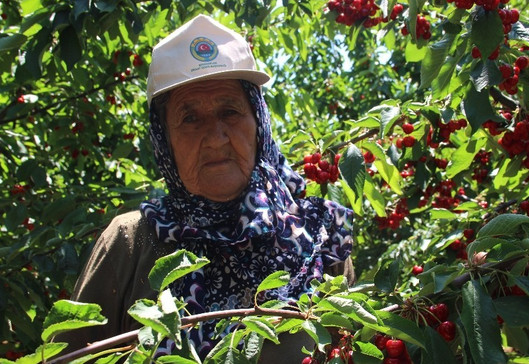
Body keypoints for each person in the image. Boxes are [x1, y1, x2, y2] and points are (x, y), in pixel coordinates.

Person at [60, 14, 355, 362]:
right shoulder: (130, 242)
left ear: (258, 123)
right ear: (164, 142)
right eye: (190, 118)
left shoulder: (318, 237)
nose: (215, 139)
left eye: (230, 111)